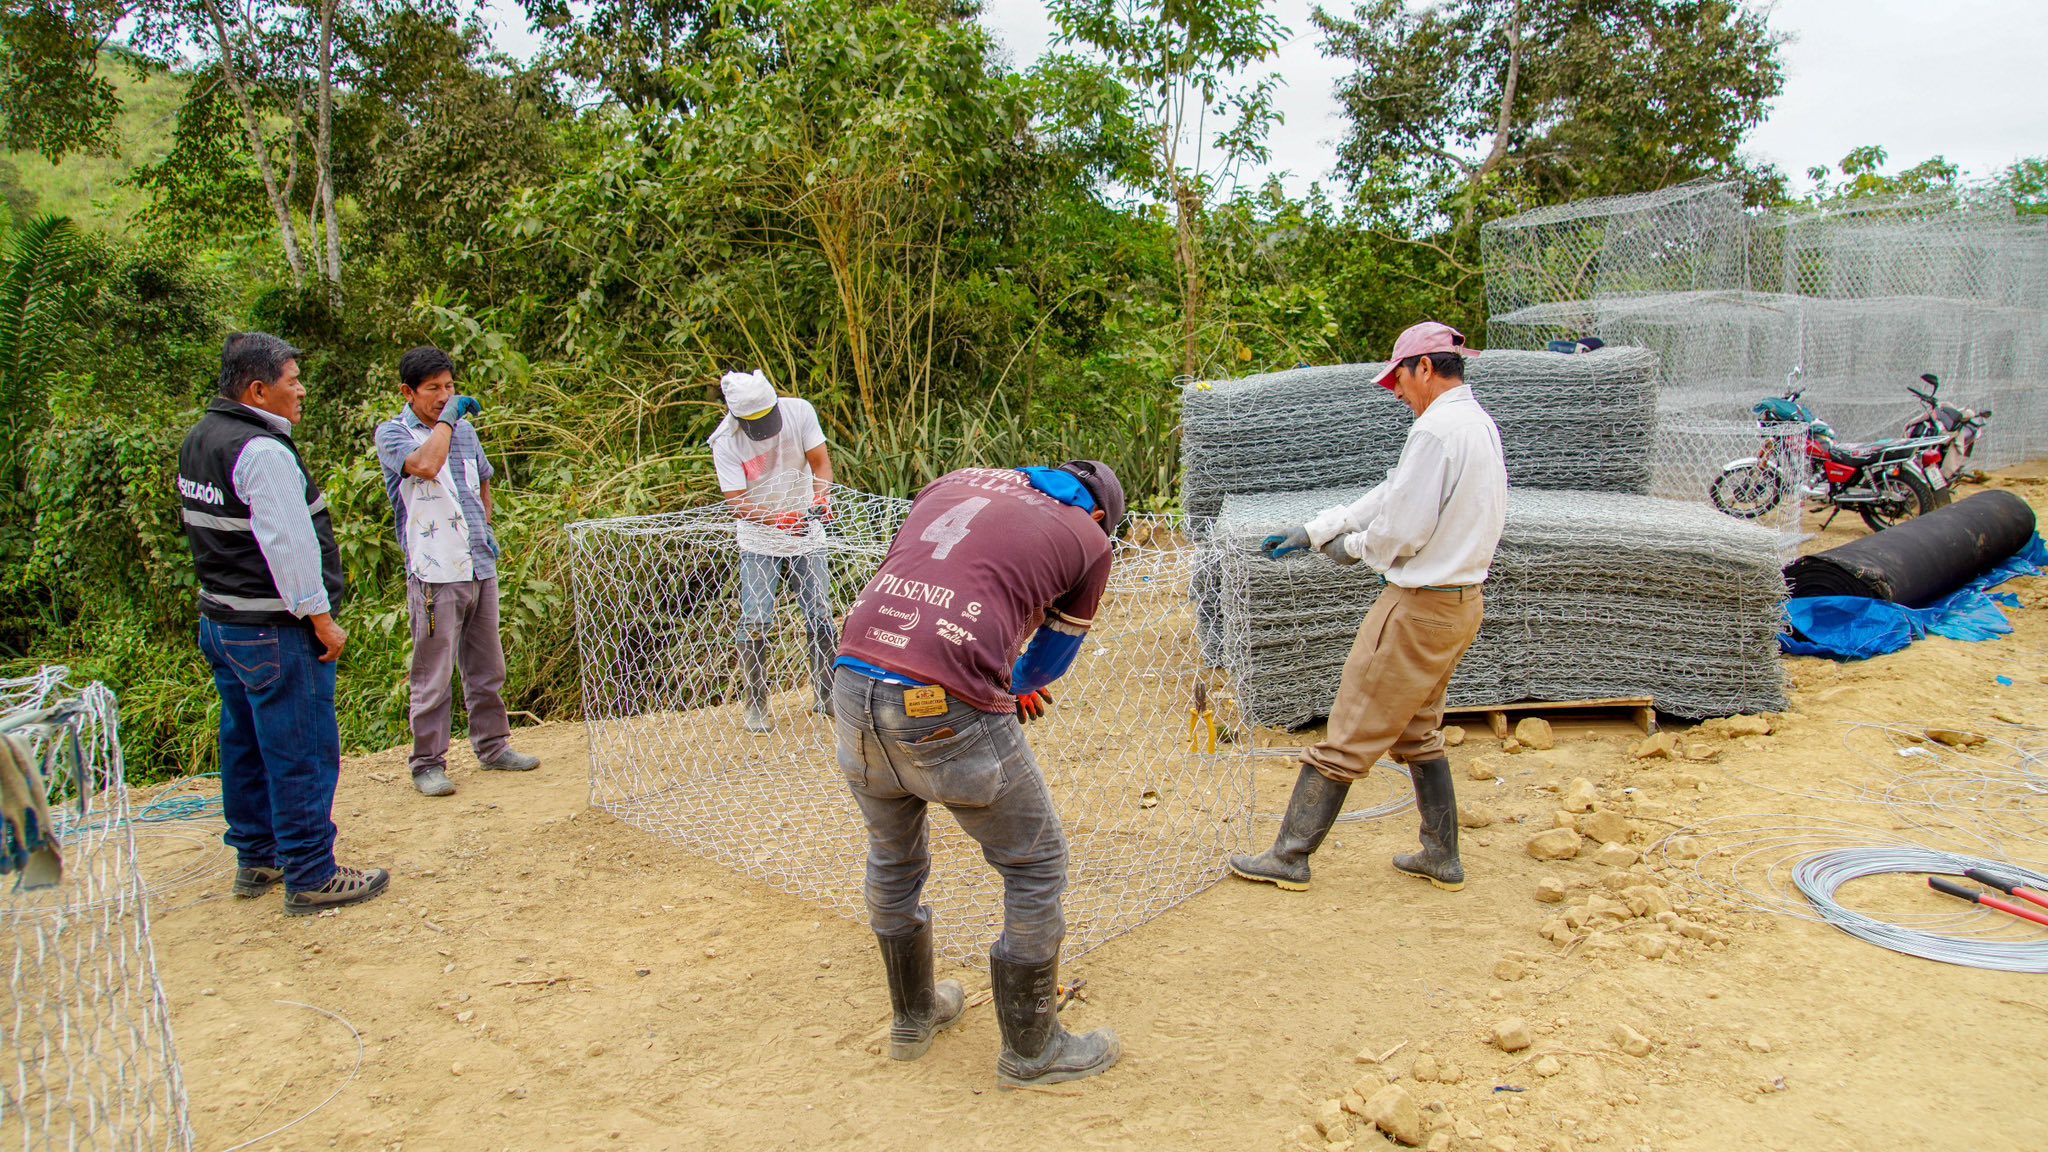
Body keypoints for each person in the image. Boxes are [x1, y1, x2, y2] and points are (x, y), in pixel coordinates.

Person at [833, 461, 1125, 1089]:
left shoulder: (956, 480)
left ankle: (913, 1018)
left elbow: (922, 570)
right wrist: (1010, 685)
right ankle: (1033, 1049)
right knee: (1034, 863)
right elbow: (1049, 657)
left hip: (853, 678)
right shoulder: (1092, 538)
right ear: (1101, 515)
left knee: (892, 856)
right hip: (945, 701)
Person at [1230, 321, 1507, 894]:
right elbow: (1394, 491)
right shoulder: (1476, 424)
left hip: (1418, 608)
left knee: (1350, 727)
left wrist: (1352, 550)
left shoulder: (1434, 432)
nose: (1398, 392)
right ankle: (1441, 856)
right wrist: (1316, 529)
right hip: (1461, 607)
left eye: (1400, 379)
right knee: (1421, 728)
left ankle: (1289, 856)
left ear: (1424, 368)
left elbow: (1401, 527)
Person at [177, 332, 389, 916]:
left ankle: (259, 855)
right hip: (274, 628)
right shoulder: (262, 453)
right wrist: (321, 621)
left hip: (223, 622)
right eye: (292, 380)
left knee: (244, 742)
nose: (301, 391)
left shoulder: (202, 438)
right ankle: (312, 871)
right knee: (301, 749)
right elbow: (289, 547)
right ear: (258, 390)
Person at [374, 346, 541, 797]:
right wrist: (448, 419)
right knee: (433, 672)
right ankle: (427, 762)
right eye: (434, 389)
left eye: (450, 387)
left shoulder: (465, 432)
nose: (445, 397)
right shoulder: (393, 434)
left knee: (487, 666)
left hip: (478, 563)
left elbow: (482, 476)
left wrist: (485, 523)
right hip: (434, 571)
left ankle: (493, 746)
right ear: (408, 393)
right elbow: (426, 465)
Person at [707, 369, 838, 734]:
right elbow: (736, 502)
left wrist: (820, 499)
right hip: (758, 540)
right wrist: (776, 520)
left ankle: (826, 696)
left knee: (820, 613)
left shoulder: (799, 412)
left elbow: (820, 463)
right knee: (756, 620)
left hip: (807, 531)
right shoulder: (725, 442)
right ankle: (756, 705)